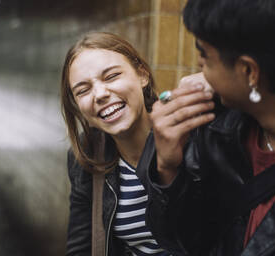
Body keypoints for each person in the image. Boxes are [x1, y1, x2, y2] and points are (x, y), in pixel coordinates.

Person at [138, 0, 275, 255]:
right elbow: (183, 242)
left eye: (204, 58)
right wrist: (168, 168)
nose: (197, 73)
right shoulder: (215, 126)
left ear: (249, 71)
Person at [62, 32, 197, 255]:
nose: (100, 94)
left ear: (142, 75)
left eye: (111, 76)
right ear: (78, 107)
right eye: (83, 90)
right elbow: (81, 247)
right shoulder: (87, 157)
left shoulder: (188, 132)